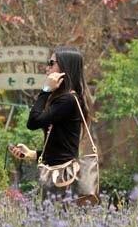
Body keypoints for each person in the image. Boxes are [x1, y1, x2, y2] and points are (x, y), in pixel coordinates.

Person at [10, 47, 88, 201]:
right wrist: (32, 154)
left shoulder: (67, 100)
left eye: (51, 63)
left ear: (65, 68)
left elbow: (33, 122)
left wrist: (45, 90)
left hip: (61, 180)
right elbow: (61, 147)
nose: (47, 68)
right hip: (58, 177)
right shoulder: (65, 100)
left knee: (57, 222)